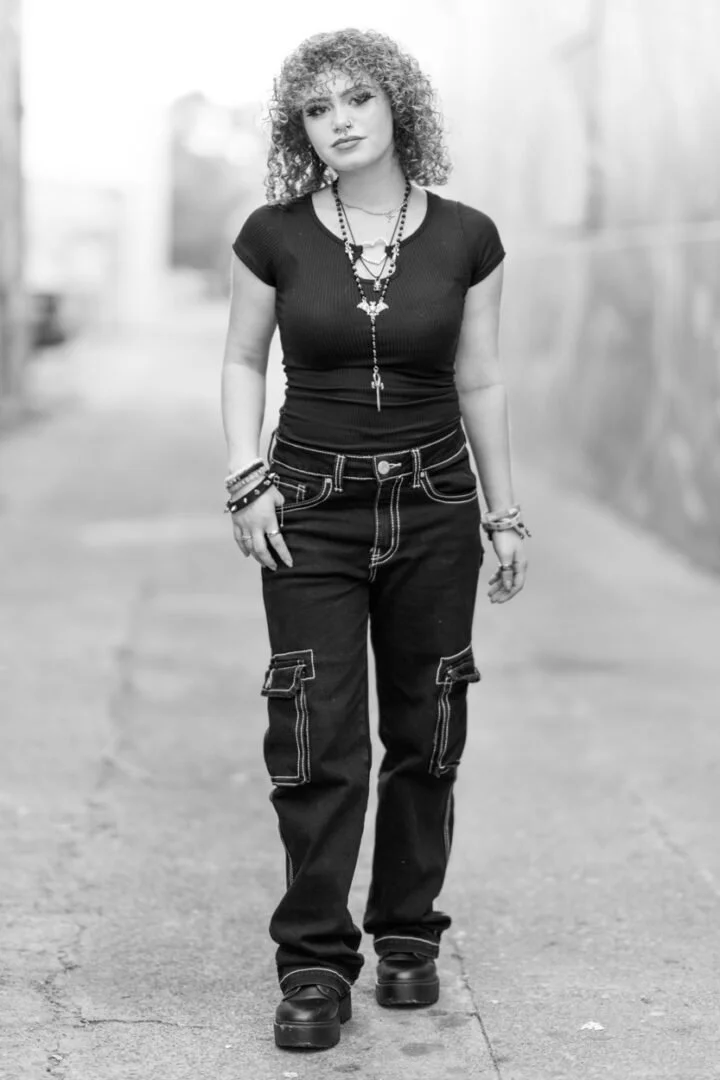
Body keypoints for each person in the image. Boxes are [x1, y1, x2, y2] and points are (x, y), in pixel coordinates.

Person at [220, 27, 529, 1051]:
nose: (340, 120)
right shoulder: (272, 234)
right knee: (314, 739)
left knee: (428, 730)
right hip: (310, 502)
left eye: (357, 98)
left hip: (437, 500)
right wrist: (246, 481)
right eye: (316, 107)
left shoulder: (467, 237)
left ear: (400, 106)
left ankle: (408, 938)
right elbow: (241, 362)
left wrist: (503, 508)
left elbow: (479, 375)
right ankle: (313, 963)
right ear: (297, 127)